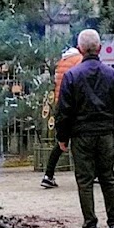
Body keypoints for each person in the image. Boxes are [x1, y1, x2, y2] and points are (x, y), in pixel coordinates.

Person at [56, 29, 114, 228]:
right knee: (108, 178)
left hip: (81, 134)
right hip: (105, 132)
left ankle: (91, 226)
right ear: (100, 48)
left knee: (84, 180)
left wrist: (62, 136)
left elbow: (64, 110)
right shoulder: (112, 74)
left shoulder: (72, 76)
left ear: (80, 49)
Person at [42, 45, 83, 189]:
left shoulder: (62, 61)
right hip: (75, 104)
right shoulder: (79, 60)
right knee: (82, 139)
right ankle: (88, 174)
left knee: (61, 141)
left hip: (61, 102)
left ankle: (48, 175)